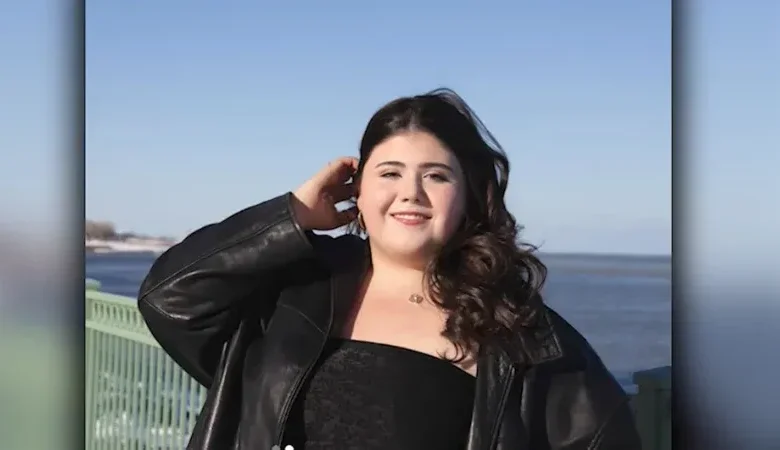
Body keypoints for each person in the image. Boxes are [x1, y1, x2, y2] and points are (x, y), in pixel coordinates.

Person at [138, 88, 642, 450]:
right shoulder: (291, 288)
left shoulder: (518, 332)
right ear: (358, 190)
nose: (411, 193)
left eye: (437, 176)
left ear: (468, 197)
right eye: (390, 173)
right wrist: (291, 216)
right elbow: (168, 297)